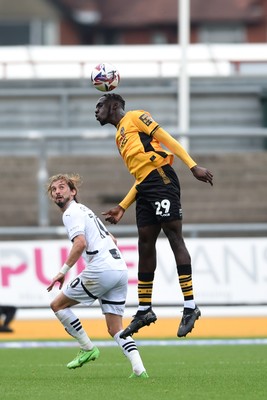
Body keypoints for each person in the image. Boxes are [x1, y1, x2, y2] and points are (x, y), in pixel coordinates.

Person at [95, 93, 214, 339]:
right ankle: (144, 309)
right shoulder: (119, 137)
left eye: (100, 105)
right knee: (145, 242)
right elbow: (140, 175)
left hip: (162, 179)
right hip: (145, 187)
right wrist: (123, 206)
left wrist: (193, 165)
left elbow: (167, 139)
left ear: (114, 105)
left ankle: (190, 306)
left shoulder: (136, 117)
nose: (95, 110)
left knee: (173, 236)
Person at [46, 173, 148, 378]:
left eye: (62, 187)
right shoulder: (86, 211)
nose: (57, 192)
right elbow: (113, 239)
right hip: (119, 268)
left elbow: (80, 243)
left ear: (73, 192)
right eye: (54, 189)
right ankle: (139, 370)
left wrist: (62, 272)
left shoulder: (70, 212)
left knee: (57, 305)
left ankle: (87, 348)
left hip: (103, 269)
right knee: (115, 328)